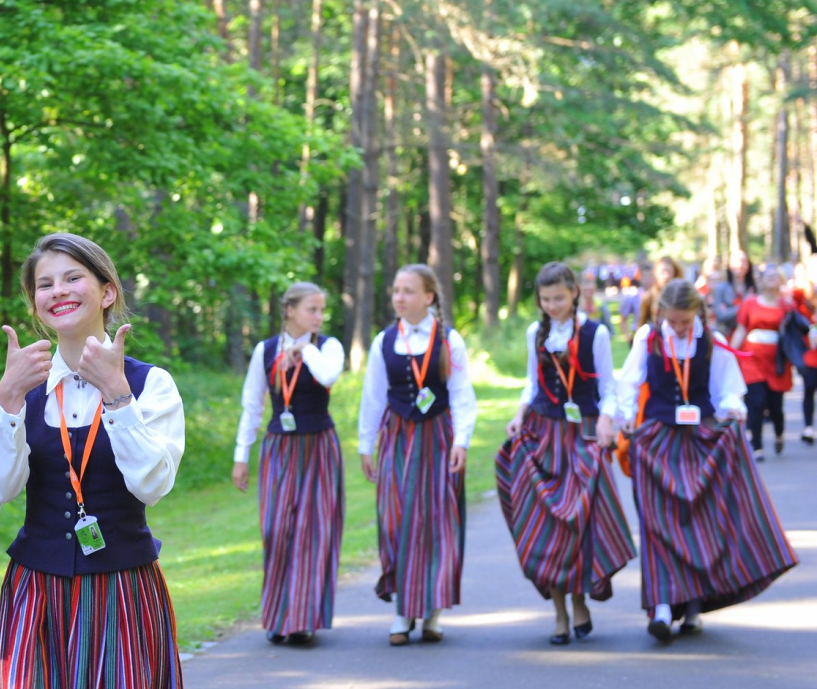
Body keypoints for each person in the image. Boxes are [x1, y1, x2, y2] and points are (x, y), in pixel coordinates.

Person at [0, 233, 185, 688]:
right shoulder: (22, 386)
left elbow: (153, 485)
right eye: (45, 284)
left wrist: (117, 397)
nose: (59, 291)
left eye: (73, 277)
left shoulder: (150, 384)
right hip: (36, 590)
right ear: (35, 304)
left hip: (122, 589)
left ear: (107, 291)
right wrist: (8, 400)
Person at [605, 280, 798, 642]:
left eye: (684, 321)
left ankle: (693, 608)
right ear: (662, 312)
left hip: (702, 441)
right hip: (658, 440)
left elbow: (728, 389)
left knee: (698, 521)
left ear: (697, 313)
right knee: (658, 522)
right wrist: (627, 416)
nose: (679, 327)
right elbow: (628, 384)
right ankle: (662, 607)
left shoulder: (713, 339)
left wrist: (733, 411)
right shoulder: (648, 338)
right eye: (673, 321)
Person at [496, 262, 636, 646]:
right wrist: (519, 414)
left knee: (580, 524)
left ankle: (579, 601)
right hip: (543, 434)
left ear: (574, 293)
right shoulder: (534, 332)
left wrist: (608, 420)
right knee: (548, 528)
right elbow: (530, 383)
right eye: (545, 299)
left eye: (558, 298)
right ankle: (558, 611)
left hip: (585, 434)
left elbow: (609, 386)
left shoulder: (596, 333)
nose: (552, 305)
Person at [358, 264, 477, 646]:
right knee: (397, 520)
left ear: (429, 297)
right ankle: (403, 610)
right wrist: (366, 445)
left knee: (436, 521)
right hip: (397, 437)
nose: (399, 297)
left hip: (438, 437)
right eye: (396, 290)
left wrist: (462, 441)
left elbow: (461, 393)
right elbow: (373, 397)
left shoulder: (449, 340)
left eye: (408, 290)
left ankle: (432, 613)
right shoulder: (384, 340)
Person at [231, 282, 345, 645]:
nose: (319, 316)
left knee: (314, 530)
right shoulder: (265, 351)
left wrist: (305, 351)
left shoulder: (328, 347)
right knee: (276, 530)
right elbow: (252, 404)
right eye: (312, 309)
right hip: (279, 447)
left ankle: (303, 619)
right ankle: (279, 617)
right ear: (291, 310)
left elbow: (328, 375)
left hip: (319, 447)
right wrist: (241, 457)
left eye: (322, 310)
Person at [731, 265, 794, 461]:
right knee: (755, 402)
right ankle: (756, 446)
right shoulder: (750, 304)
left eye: (775, 276)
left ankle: (778, 434)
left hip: (776, 361)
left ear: (781, 280)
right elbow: (741, 330)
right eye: (768, 276)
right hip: (753, 358)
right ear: (761, 280)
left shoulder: (786, 306)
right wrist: (731, 354)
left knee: (775, 406)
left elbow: (794, 334)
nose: (771, 279)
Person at [789, 257, 817, 445]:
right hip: (810, 352)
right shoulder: (801, 294)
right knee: (809, 387)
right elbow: (789, 301)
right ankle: (808, 426)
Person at [711, 248, 755, 336]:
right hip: (726, 334)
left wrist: (729, 310)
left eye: (743, 261)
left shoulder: (754, 288)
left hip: (749, 335)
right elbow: (721, 315)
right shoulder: (721, 289)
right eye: (736, 261)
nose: (740, 265)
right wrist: (745, 304)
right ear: (729, 264)